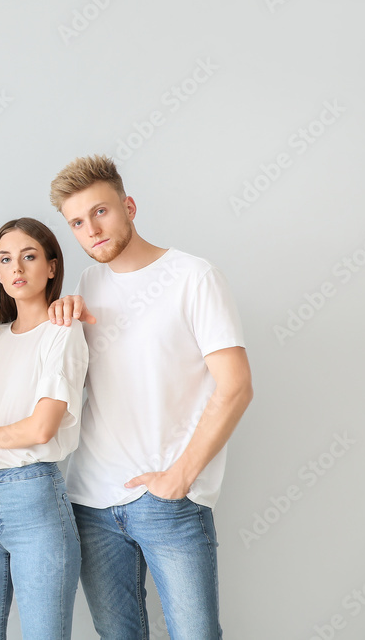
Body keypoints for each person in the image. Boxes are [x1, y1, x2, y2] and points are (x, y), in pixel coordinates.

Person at [47, 156, 254, 639]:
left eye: (100, 212)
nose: (91, 230)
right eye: (77, 222)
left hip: (169, 499)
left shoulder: (193, 277)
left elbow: (237, 385)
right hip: (92, 502)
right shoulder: (86, 285)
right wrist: (56, 323)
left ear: (129, 206)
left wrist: (180, 476)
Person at [0, 218, 87, 640]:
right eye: (5, 259)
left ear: (52, 267)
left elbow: (42, 428)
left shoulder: (62, 331)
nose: (16, 268)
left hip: (33, 496)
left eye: (29, 256)